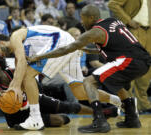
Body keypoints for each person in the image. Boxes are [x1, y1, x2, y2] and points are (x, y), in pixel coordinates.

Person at [26, 4, 151, 133]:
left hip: (128, 60)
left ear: (91, 18)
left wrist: (39, 56)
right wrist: (85, 49)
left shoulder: (95, 32)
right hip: (143, 59)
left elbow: (66, 49)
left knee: (88, 82)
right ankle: (132, 118)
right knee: (115, 82)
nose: (81, 21)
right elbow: (112, 46)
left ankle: (99, 121)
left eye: (83, 18)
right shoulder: (114, 21)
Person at [0, 24, 121, 130]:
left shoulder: (15, 36)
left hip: (59, 42)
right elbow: (18, 76)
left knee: (28, 75)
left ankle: (35, 119)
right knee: (80, 92)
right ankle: (116, 101)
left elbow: (22, 66)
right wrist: (12, 92)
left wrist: (14, 86)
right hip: (68, 44)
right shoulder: (18, 54)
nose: (1, 56)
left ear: (2, 42)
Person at [0, 58, 119, 129]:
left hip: (33, 101)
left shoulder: (15, 72)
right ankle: (45, 118)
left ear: (0, 66)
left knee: (70, 107)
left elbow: (32, 83)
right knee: (61, 120)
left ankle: (101, 113)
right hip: (17, 116)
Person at [108, 0, 151, 113]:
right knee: (131, 66)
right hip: (133, 29)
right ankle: (128, 103)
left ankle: (143, 104)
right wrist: (128, 20)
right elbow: (112, 4)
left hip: (149, 32)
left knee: (147, 67)